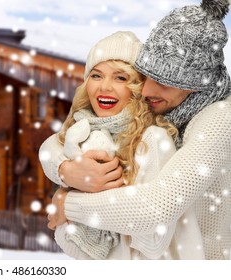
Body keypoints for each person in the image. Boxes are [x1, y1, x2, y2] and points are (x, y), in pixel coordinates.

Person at [43, 0, 231, 260]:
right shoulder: (167, 107)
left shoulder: (220, 121)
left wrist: (67, 204)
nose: (146, 91)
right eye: (145, 77)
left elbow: (156, 208)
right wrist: (65, 170)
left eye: (164, 83)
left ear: (195, 85)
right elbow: (54, 142)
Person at [40, 30, 185, 260]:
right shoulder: (83, 131)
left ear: (138, 87)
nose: (104, 87)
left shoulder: (153, 140)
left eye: (120, 78)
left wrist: (69, 202)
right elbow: (49, 147)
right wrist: (65, 171)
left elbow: (154, 241)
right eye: (96, 75)